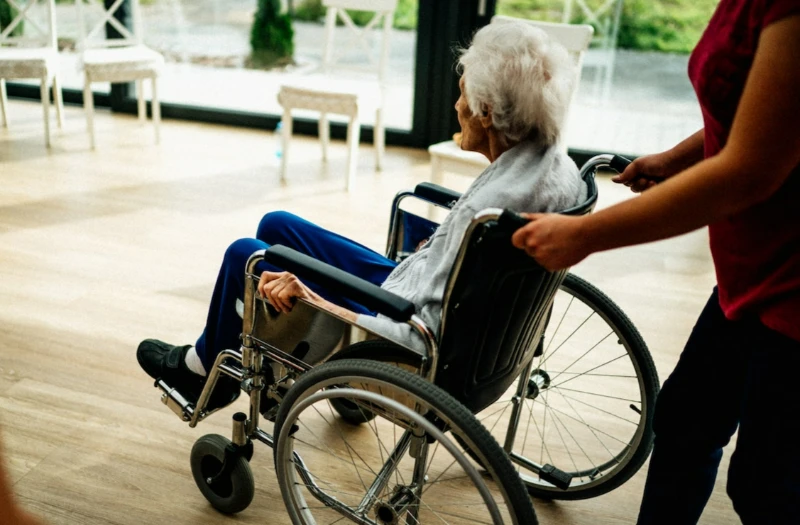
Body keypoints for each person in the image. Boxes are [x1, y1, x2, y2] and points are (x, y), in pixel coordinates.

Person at [136, 21, 587, 411]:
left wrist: (312, 294)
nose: (456, 105)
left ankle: (199, 374)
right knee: (277, 226)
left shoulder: (486, 214)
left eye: (462, 94)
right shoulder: (550, 168)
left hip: (402, 335)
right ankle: (253, 359)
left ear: (487, 111)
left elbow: (413, 337)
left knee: (247, 256)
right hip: (422, 295)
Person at [510, 1, 800, 523]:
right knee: (687, 421)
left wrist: (585, 235)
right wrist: (677, 159)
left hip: (793, 286)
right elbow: (754, 105)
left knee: (767, 483)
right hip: (751, 268)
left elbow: (750, 170)